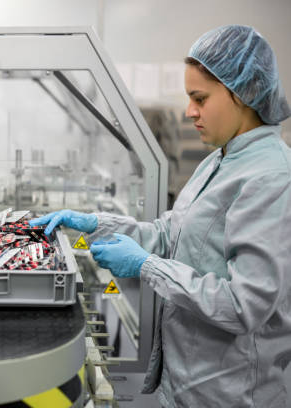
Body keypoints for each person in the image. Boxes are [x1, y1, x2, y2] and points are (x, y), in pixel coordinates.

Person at [31, 25, 291, 407]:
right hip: (190, 381)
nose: (189, 112)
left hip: (231, 393)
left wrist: (146, 266)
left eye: (199, 98)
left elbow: (243, 305)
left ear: (244, 94)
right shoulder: (219, 161)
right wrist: (93, 223)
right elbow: (170, 233)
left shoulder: (271, 178)